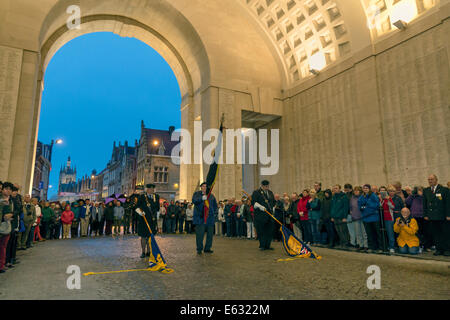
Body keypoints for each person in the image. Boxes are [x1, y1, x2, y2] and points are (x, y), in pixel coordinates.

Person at [423, 174, 450, 256]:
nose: (430, 181)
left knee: (445, 233)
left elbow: (448, 203)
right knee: (436, 234)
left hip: (442, 216)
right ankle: (439, 249)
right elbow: (425, 203)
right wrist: (425, 214)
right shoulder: (426, 190)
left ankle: (447, 249)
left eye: (432, 179)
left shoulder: (444, 190)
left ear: (436, 180)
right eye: (429, 179)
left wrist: (448, 215)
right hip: (432, 216)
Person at [192, 182, 218, 254]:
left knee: (210, 235)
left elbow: (215, 206)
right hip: (200, 218)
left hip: (210, 218)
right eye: (203, 186)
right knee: (200, 235)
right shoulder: (197, 194)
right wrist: (201, 198)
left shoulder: (211, 196)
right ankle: (199, 249)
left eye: (206, 186)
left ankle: (207, 248)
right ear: (201, 187)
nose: (204, 188)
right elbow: (194, 201)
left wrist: (214, 213)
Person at [251, 180, 276, 251]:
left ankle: (268, 245)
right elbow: (253, 202)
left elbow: (273, 202)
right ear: (262, 186)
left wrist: (273, 208)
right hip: (260, 216)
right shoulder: (256, 192)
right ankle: (262, 245)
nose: (266, 188)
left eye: (267, 186)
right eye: (265, 186)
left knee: (269, 230)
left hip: (269, 215)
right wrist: (259, 206)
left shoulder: (270, 192)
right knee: (261, 231)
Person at [359, 184, 383, 253]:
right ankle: (372, 247)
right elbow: (360, 206)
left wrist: (368, 206)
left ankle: (380, 247)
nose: (365, 189)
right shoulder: (361, 196)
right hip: (366, 218)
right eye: (364, 188)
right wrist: (366, 207)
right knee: (369, 233)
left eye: (367, 188)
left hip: (374, 218)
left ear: (369, 189)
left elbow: (377, 205)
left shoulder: (373, 196)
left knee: (377, 233)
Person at [406, 186, 429, 252]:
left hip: (423, 216)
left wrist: (422, 195)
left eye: (420, 190)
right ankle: (418, 245)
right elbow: (407, 202)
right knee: (416, 232)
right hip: (415, 216)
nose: (419, 191)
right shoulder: (413, 196)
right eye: (418, 190)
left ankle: (425, 246)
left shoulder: (425, 196)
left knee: (424, 232)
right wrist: (411, 194)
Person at [0, 182, 14, 273]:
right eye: (6, 188)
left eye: (10, 189)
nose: (8, 191)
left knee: (3, 247)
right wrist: (3, 217)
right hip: (2, 224)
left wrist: (11, 215)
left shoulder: (11, 200)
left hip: (7, 227)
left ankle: (2, 264)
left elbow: (15, 211)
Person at [349, 187, 368, 251]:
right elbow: (351, 207)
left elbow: (365, 206)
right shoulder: (352, 198)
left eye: (357, 191)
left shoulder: (363, 197)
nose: (356, 192)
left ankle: (366, 245)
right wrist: (352, 213)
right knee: (358, 232)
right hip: (355, 217)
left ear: (360, 191)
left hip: (362, 217)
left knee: (364, 232)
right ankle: (360, 244)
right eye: (355, 191)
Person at [381, 187, 396, 253]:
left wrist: (388, 200)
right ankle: (387, 245)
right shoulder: (382, 199)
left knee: (390, 233)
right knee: (386, 233)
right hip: (383, 218)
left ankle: (392, 247)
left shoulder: (389, 199)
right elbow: (380, 206)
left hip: (389, 218)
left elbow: (393, 207)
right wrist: (381, 200)